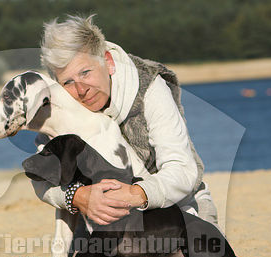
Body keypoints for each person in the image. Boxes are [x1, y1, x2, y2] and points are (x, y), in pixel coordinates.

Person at [32, 14, 218, 231]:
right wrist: (79, 197)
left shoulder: (149, 87)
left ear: (108, 62)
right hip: (102, 216)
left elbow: (183, 170)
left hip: (180, 205)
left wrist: (134, 194)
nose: (82, 90)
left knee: (201, 255)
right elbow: (40, 178)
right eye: (68, 81)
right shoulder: (61, 106)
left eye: (86, 72)